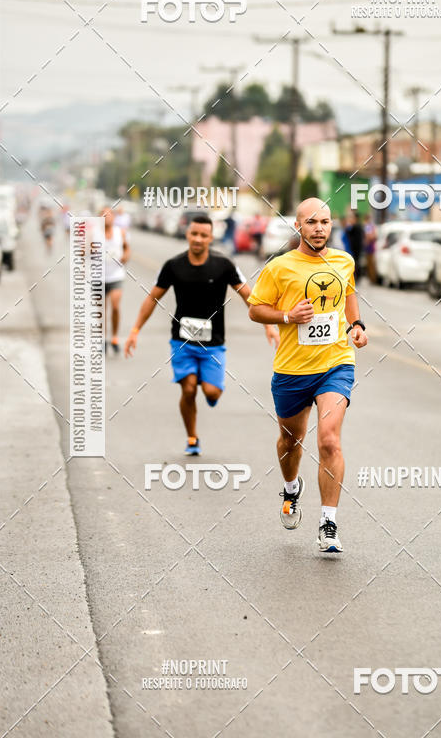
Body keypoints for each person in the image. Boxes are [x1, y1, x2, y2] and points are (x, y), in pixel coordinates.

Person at [248, 198, 368, 553]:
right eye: (312, 222)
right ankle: (290, 489)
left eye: (325, 222)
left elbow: (347, 292)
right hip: (292, 370)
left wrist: (356, 324)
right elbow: (256, 310)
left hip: (335, 363)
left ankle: (328, 522)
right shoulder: (279, 267)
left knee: (329, 440)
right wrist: (287, 317)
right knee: (290, 442)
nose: (319, 228)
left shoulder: (344, 260)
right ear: (298, 226)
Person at [124, 213, 278, 455]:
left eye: (203, 235)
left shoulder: (223, 265)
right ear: (187, 234)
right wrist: (134, 331)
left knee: (211, 392)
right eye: (194, 234)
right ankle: (192, 438)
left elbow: (249, 295)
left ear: (210, 237)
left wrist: (268, 325)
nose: (197, 239)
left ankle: (212, 392)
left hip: (213, 344)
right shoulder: (173, 266)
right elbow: (152, 298)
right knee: (188, 388)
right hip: (182, 342)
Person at [102, 207, 130, 354]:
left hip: (116, 276)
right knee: (101, 311)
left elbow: (127, 248)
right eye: (103, 215)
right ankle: (103, 340)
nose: (106, 217)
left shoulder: (120, 232)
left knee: (115, 306)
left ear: (113, 217)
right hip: (98, 277)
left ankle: (114, 337)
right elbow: (82, 252)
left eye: (109, 214)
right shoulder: (93, 234)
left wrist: (125, 256)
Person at [344, 211, 364, 281]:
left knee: (355, 262)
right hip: (356, 248)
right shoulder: (358, 226)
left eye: (352, 218)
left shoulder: (356, 226)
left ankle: (356, 277)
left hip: (356, 248)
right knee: (356, 262)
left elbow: (348, 233)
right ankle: (356, 277)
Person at [363, 213, 377, 283]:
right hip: (370, 247)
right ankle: (371, 278)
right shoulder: (371, 226)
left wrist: (366, 241)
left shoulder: (368, 226)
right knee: (370, 264)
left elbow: (369, 236)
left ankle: (372, 279)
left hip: (370, 247)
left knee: (370, 264)